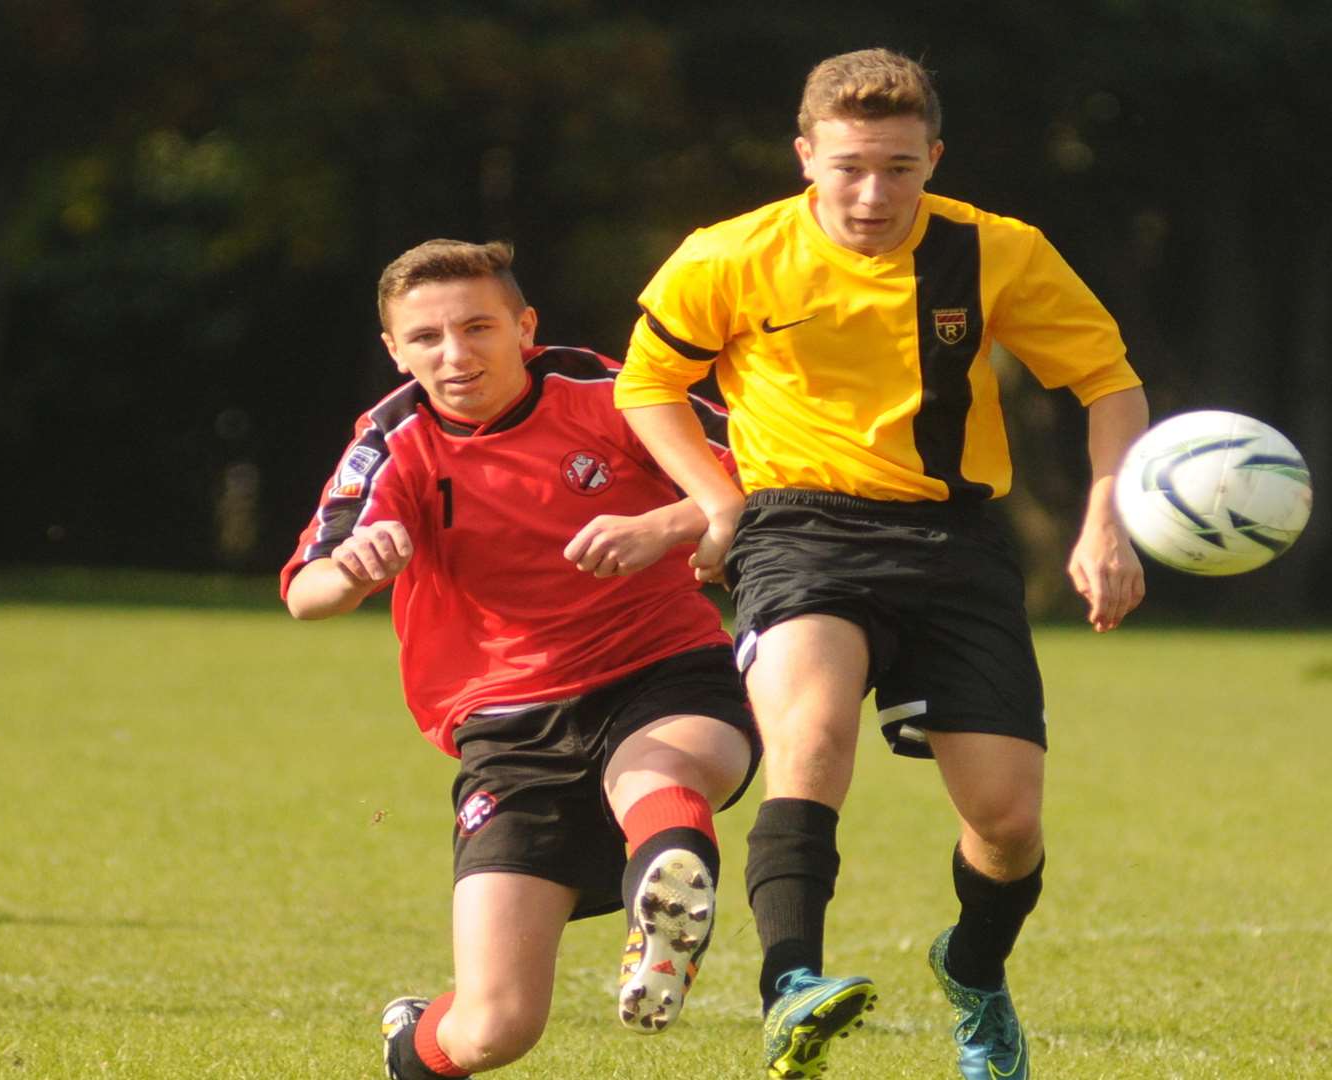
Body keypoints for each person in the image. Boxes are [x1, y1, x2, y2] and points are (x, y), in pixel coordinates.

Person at [612, 48, 1149, 1080]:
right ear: (806, 154)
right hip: (798, 528)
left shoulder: (995, 251)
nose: (872, 192)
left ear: (933, 159)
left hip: (954, 541)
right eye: (850, 165)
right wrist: (721, 502)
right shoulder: (729, 255)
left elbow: (1108, 382)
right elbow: (650, 384)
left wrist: (1106, 520)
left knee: (1007, 823)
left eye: (900, 168)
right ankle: (792, 990)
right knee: (809, 738)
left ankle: (977, 973)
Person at [282, 239, 760, 1078]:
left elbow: (764, 469)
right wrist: (357, 566)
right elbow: (305, 590)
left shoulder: (610, 391)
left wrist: (664, 526)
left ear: (524, 326)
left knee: (657, 775)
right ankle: (411, 1042)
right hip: (507, 728)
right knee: (494, 1028)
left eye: (477, 327)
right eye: (426, 338)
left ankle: (666, 918)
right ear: (394, 350)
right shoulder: (393, 439)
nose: (455, 354)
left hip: (659, 668)